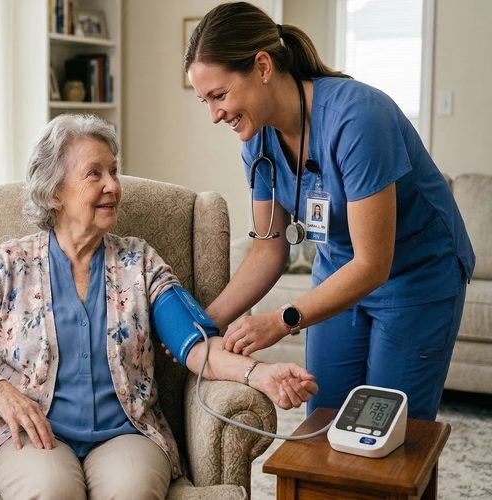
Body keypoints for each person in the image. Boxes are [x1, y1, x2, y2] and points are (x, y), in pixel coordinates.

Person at [0, 114, 318, 499]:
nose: (112, 184)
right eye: (94, 173)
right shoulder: (11, 264)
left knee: (133, 491)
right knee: (51, 490)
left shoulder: (140, 263)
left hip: (126, 433)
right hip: (30, 431)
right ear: (54, 190)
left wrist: (261, 374)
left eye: (113, 170)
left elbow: (196, 346)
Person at [184, 2, 475, 420]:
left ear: (263, 66)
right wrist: (204, 322)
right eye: (204, 101)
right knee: (324, 418)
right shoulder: (257, 146)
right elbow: (268, 251)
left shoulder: (358, 118)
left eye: (219, 95)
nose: (214, 115)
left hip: (416, 275)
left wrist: (281, 320)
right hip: (338, 270)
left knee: (388, 428)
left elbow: (374, 264)